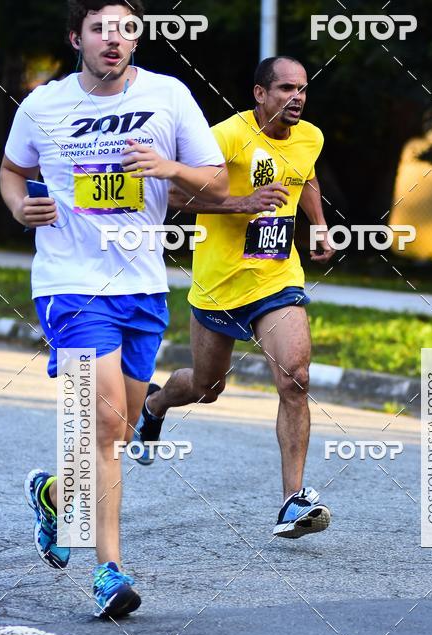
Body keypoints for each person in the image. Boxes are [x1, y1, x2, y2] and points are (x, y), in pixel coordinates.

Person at [0, 0, 227, 617]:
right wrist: (20, 206)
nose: (114, 39)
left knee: (120, 432)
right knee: (101, 430)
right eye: (100, 28)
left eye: (126, 28)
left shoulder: (170, 97)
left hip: (142, 286)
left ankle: (52, 492)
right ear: (77, 36)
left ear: (137, 39)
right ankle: (109, 572)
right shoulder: (43, 105)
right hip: (70, 287)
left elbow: (220, 184)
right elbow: (12, 170)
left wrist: (169, 166)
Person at [137, 56, 335, 538]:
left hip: (276, 278)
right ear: (259, 93)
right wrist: (239, 203)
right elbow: (175, 196)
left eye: (303, 89)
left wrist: (321, 227)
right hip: (219, 282)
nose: (297, 97)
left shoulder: (311, 136)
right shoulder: (225, 136)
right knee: (207, 388)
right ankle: (155, 405)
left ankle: (292, 500)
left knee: (296, 377)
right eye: (286, 88)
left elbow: (304, 175)